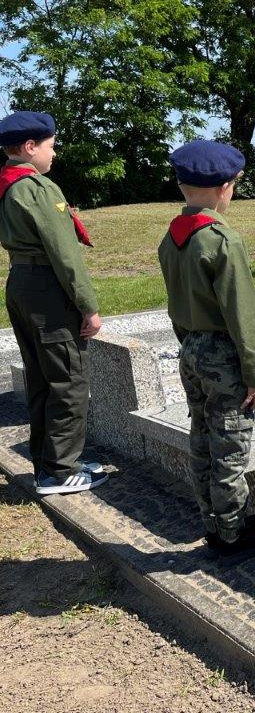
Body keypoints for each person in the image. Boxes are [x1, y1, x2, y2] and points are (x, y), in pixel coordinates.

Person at [158, 139, 255, 563]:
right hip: (223, 353)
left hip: (191, 348)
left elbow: (177, 306)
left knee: (201, 435)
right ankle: (231, 534)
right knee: (230, 441)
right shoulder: (221, 240)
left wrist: (191, 345)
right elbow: (243, 315)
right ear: (224, 188)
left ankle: (212, 519)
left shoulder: (172, 238)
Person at [0, 111, 107, 495]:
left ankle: (51, 460)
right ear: (30, 147)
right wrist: (88, 307)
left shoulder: (8, 185)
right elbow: (65, 254)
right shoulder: (38, 188)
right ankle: (59, 472)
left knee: (43, 377)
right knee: (69, 380)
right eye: (51, 145)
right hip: (47, 285)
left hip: (21, 282)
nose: (54, 153)